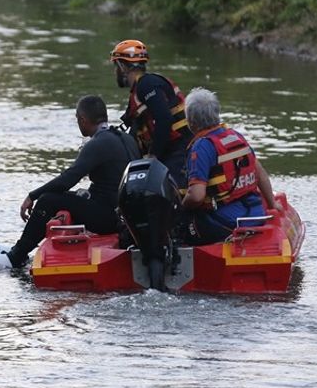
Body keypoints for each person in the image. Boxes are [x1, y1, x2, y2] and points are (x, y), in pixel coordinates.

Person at [0, 95, 140, 269]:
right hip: (126, 216)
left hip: (108, 218)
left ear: (83, 120)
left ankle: (15, 257)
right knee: (64, 197)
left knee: (48, 200)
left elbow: (67, 179)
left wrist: (32, 195)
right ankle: (20, 248)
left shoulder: (98, 143)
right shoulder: (126, 138)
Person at [179, 87, 277, 244]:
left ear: (191, 121)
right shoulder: (235, 136)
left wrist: (181, 206)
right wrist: (272, 204)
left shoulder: (201, 147)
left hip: (227, 223)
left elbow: (197, 196)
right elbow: (260, 174)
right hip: (255, 215)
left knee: (180, 220)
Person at [110, 39, 193, 187]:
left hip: (178, 151)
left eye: (115, 66)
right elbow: (134, 132)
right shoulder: (140, 91)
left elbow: (164, 119)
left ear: (122, 67)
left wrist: (152, 156)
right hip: (172, 150)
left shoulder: (146, 85)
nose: (114, 71)